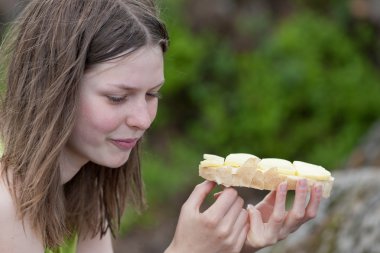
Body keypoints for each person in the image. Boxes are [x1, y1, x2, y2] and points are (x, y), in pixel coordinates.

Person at [0, 0, 323, 252]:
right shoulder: (7, 204)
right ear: (52, 89)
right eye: (117, 97)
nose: (142, 120)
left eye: (152, 94)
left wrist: (233, 246)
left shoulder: (83, 183)